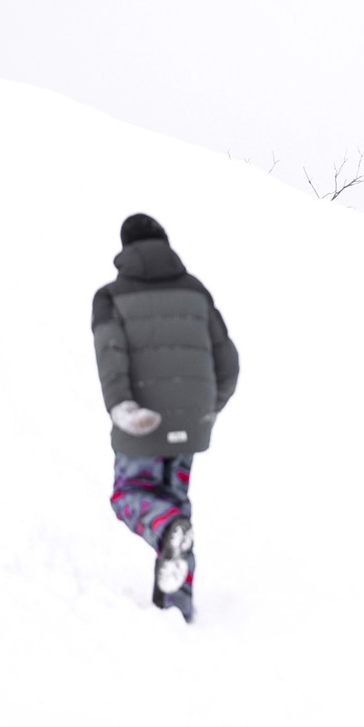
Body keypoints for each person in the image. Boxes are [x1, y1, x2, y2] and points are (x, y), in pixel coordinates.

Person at [92, 212, 239, 619]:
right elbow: (228, 362)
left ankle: (165, 528)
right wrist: (207, 409)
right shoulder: (196, 291)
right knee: (174, 503)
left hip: (142, 422)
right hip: (192, 421)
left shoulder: (110, 298)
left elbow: (110, 356)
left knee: (130, 496)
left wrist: (121, 405)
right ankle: (177, 607)